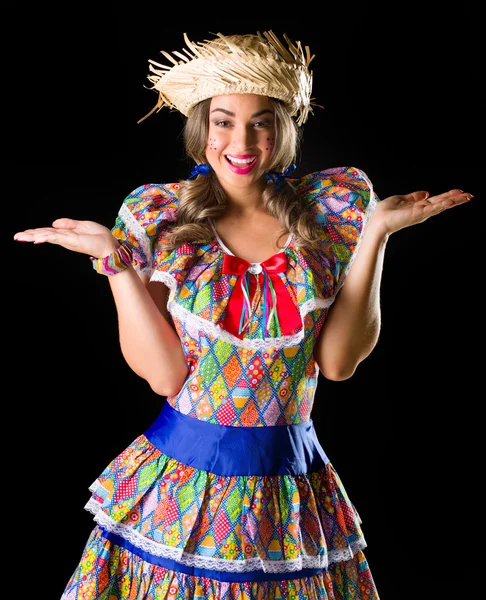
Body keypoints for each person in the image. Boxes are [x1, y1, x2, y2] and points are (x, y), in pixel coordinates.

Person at [14, 31, 472, 600]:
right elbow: (165, 376)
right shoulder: (160, 217)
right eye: (224, 120)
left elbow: (337, 363)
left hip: (290, 487)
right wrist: (117, 265)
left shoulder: (331, 213)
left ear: (285, 130)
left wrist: (376, 235)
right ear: (201, 128)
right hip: (182, 489)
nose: (242, 140)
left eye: (263, 121)